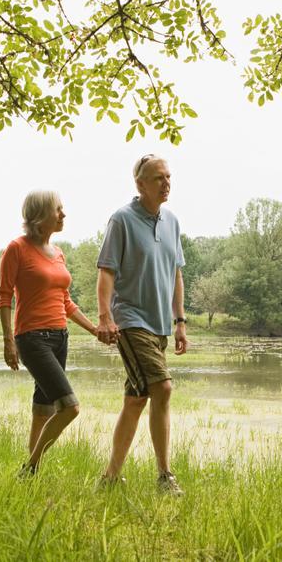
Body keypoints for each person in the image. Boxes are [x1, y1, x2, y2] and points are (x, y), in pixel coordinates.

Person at [95, 154, 189, 495]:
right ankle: (165, 476)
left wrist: (179, 321)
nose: (166, 183)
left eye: (168, 177)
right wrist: (105, 316)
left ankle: (109, 479)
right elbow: (106, 271)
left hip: (160, 323)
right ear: (140, 185)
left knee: (136, 400)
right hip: (131, 319)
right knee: (162, 388)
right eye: (158, 178)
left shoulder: (172, 222)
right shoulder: (121, 220)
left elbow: (176, 273)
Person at [0, 190, 100, 475]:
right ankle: (29, 468)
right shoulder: (16, 249)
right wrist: (9, 342)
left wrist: (94, 329)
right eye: (58, 209)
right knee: (69, 407)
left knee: (43, 409)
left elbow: (65, 302)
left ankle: (31, 476)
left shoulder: (59, 253)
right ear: (40, 216)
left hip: (60, 338)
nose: (64, 214)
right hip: (31, 338)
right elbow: (4, 297)